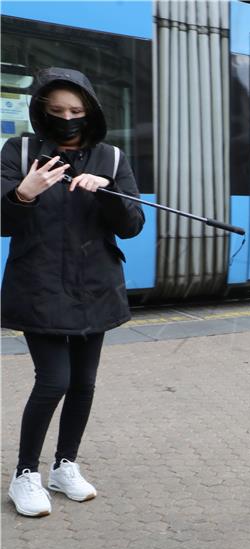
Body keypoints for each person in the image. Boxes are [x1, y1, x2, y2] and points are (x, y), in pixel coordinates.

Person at [1, 68, 145, 517]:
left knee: (83, 382)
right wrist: (23, 194)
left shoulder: (112, 158)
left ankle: (65, 466)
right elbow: (3, 222)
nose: (68, 118)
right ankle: (26, 474)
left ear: (91, 111)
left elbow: (133, 225)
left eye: (77, 111)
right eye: (58, 110)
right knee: (54, 380)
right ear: (42, 109)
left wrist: (109, 194)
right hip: (39, 284)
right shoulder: (19, 151)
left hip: (96, 285)